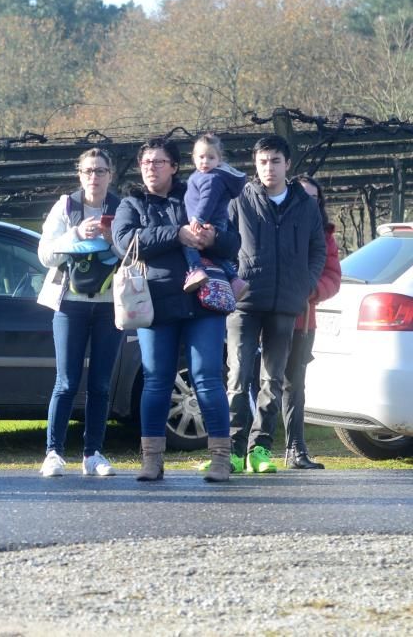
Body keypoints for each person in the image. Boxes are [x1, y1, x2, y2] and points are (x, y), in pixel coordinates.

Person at [112, 138, 241, 482]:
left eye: (159, 162)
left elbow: (232, 242)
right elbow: (127, 241)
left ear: (173, 166)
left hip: (204, 304)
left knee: (208, 379)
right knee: (155, 382)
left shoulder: (198, 192)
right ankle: (151, 460)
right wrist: (178, 234)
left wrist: (211, 239)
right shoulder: (131, 202)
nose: (151, 168)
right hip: (154, 306)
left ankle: (220, 459)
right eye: (146, 163)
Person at [225, 135, 326, 474]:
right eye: (263, 161)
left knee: (272, 379)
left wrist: (306, 284)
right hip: (244, 303)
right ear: (256, 165)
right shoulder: (239, 199)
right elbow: (224, 243)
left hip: (286, 304)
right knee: (238, 377)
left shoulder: (305, 205)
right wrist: (230, 279)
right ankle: (233, 451)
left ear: (287, 164)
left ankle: (260, 450)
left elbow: (318, 250)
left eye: (276, 161)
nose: (269, 167)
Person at [34, 148, 124, 478]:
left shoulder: (121, 208)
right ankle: (54, 453)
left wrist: (111, 238)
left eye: (100, 171)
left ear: (110, 175)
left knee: (100, 384)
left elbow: (136, 252)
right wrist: (75, 235)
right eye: (88, 171)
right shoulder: (66, 206)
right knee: (66, 382)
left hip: (110, 306)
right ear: (79, 174)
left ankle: (93, 454)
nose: (94, 177)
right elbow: (45, 254)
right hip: (69, 304)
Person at [279, 175, 341, 469]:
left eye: (312, 197)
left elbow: (332, 276)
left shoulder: (325, 236)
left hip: (304, 321)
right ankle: (249, 449)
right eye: (301, 195)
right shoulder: (275, 225)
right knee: (259, 382)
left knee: (295, 385)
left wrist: (311, 292)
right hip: (267, 317)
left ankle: (295, 449)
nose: (306, 201)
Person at [181, 134, 248, 298]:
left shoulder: (212, 178)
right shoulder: (200, 175)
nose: (205, 162)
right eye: (201, 157)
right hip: (211, 220)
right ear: (194, 158)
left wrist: (198, 218)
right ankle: (235, 280)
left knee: (188, 242)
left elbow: (207, 200)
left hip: (208, 220)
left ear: (219, 160)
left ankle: (196, 269)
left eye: (211, 157)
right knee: (213, 254)